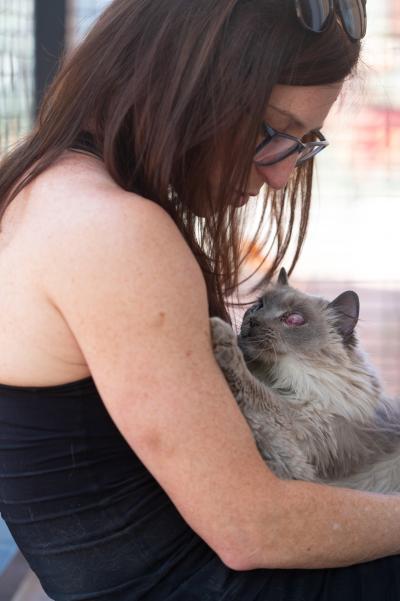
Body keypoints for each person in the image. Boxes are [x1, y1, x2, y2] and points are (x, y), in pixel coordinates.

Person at [1, 0, 400, 599]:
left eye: (303, 143)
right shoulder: (112, 231)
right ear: (187, 82)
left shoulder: (44, 187)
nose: (282, 175)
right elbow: (253, 527)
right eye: (274, 132)